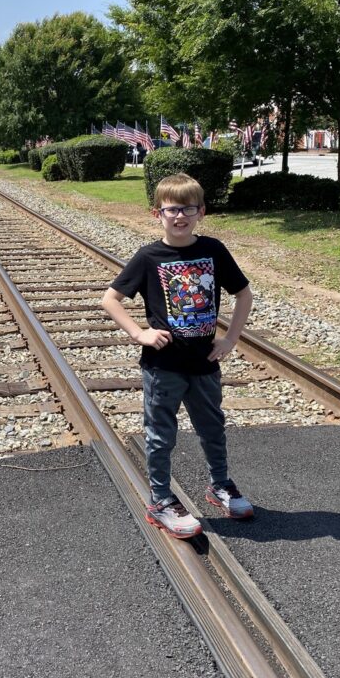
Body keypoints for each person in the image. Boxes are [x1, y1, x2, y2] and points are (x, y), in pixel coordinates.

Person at [101, 173, 254, 539]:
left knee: (212, 427)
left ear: (200, 211)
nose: (180, 216)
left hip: (204, 362)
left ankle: (220, 485)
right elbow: (110, 299)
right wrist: (139, 333)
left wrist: (230, 339)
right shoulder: (149, 256)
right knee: (160, 435)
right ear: (158, 214)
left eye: (188, 208)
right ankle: (160, 500)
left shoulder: (213, 250)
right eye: (172, 209)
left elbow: (243, 294)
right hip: (163, 366)